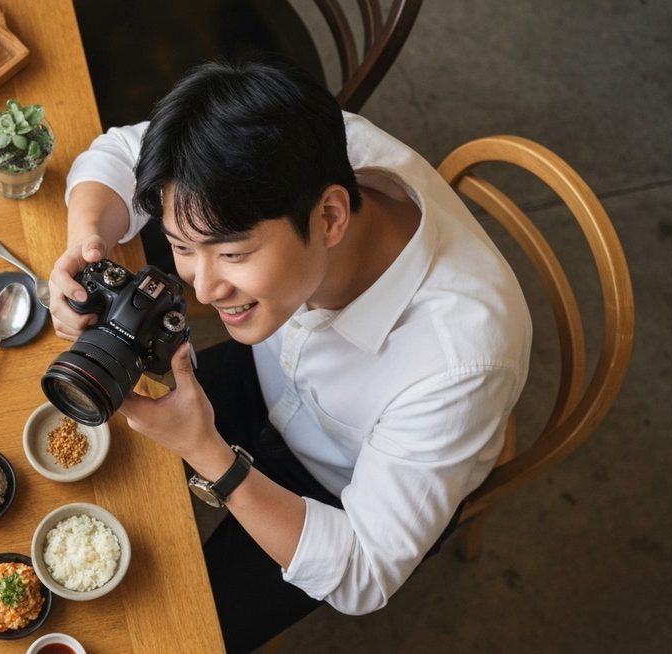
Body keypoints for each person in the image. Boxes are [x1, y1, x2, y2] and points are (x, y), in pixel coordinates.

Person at [48, 59, 532, 652]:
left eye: (232, 254)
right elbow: (123, 152)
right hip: (268, 379)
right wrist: (86, 248)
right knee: (79, 468)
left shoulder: (459, 361)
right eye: (181, 247)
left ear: (329, 217)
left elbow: (365, 572)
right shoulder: (299, 142)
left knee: (165, 632)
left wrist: (210, 455)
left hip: (341, 488)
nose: (204, 290)